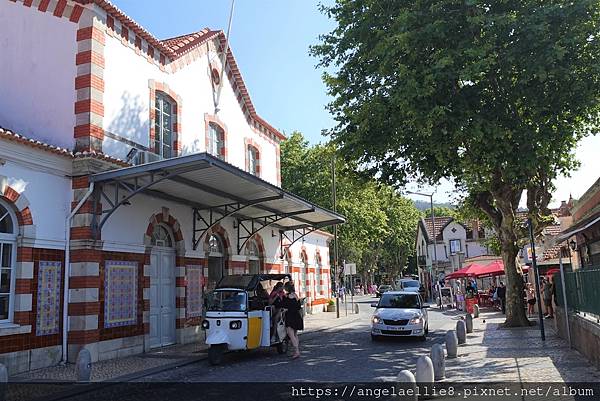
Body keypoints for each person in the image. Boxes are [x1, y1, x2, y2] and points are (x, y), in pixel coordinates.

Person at [281, 281, 303, 359]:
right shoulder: (296, 296)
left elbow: (283, 306)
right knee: (295, 334)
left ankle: (297, 351)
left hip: (290, 317)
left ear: (286, 288)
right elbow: (298, 307)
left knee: (291, 334)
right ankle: (296, 351)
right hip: (296, 316)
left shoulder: (286, 297)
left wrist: (286, 309)